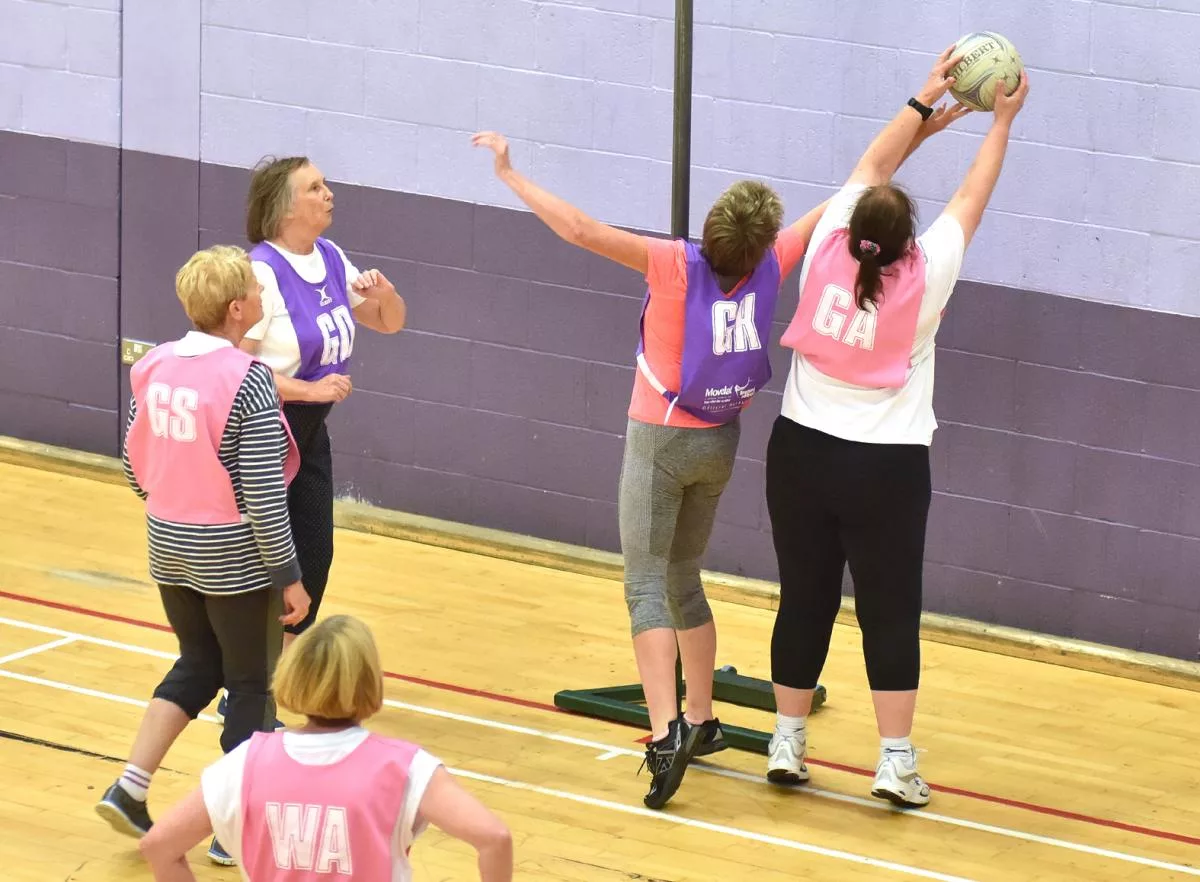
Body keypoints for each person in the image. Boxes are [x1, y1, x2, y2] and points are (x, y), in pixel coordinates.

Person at [471, 113, 954, 809]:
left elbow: (578, 229)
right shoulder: (778, 259)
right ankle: (702, 715)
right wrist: (924, 129)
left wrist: (511, 172)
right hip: (719, 443)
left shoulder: (675, 263)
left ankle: (666, 731)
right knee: (683, 576)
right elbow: (860, 184)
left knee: (644, 584)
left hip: (662, 438)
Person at [764, 49, 1030, 807]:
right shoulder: (929, 273)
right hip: (886, 468)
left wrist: (922, 101)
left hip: (801, 454)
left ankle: (787, 743)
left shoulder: (823, 244)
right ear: (909, 235)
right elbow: (974, 197)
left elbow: (873, 162)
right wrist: (999, 121)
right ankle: (894, 762)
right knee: (889, 609)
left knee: (803, 597)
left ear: (853, 228)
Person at [95, 245, 312, 865]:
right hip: (232, 552)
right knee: (252, 685)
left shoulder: (155, 364)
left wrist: (168, 505)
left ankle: (130, 788)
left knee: (197, 662)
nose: (266, 296)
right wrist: (290, 578)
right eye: (256, 289)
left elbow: (135, 462)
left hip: (167, 541)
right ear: (238, 309)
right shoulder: (248, 380)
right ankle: (230, 827)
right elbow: (266, 497)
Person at [214, 157, 408, 726]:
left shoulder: (331, 257)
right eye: (315, 188)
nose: (329, 194)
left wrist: (387, 292)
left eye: (325, 184)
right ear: (285, 207)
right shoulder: (261, 273)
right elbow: (233, 369)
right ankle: (247, 684)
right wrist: (307, 387)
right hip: (264, 431)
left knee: (313, 557)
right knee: (269, 563)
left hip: (309, 431)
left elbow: (390, 321)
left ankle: (266, 684)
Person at [136, 615, 514, 882]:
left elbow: (158, 846)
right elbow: (494, 839)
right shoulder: (404, 767)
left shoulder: (246, 762)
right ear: (369, 682)